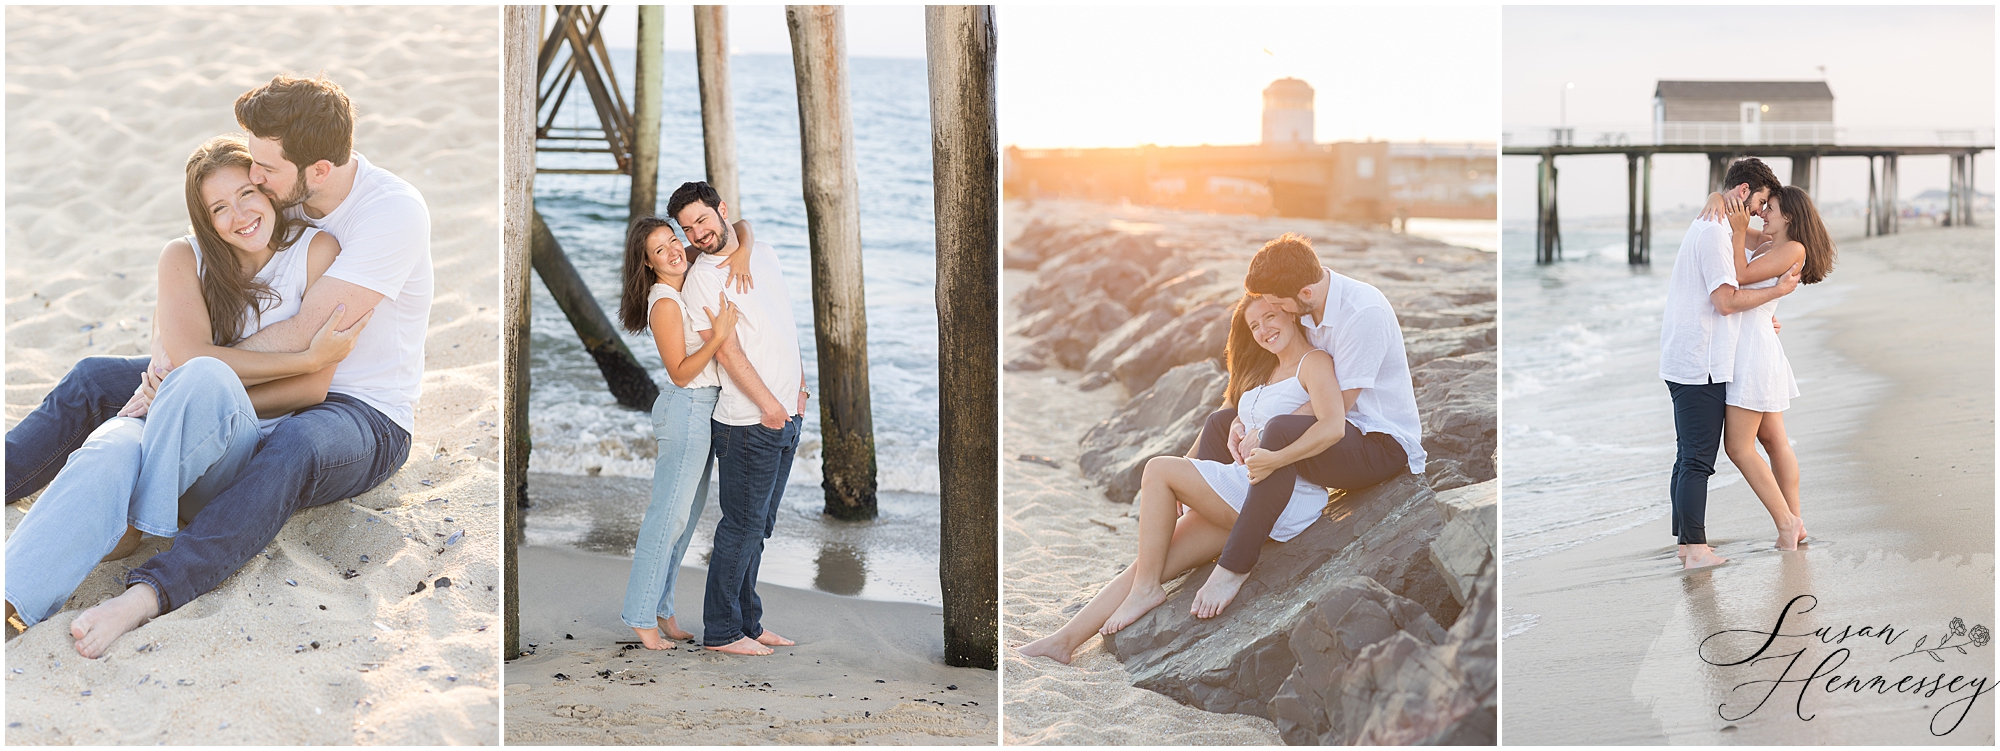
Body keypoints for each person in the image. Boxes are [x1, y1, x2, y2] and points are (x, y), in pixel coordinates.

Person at [6, 74, 432, 654]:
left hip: (359, 411)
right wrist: (176, 372)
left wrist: (183, 377)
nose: (255, 177)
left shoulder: (388, 214)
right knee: (98, 385)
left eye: (264, 172)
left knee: (290, 440)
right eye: (250, 164)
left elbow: (308, 344)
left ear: (319, 171)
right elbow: (209, 343)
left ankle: (151, 579)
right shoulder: (253, 221)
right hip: (256, 388)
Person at [1016, 295, 1340, 664]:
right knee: (1149, 561)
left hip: (1283, 494)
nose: (1264, 330)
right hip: (1242, 493)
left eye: (1270, 317)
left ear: (1291, 313)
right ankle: (1063, 641)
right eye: (1255, 325)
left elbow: (1329, 419)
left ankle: (1146, 590)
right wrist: (1236, 425)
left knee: (1158, 469)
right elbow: (1230, 418)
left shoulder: (1313, 362)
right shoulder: (1266, 371)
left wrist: (1259, 431)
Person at [1184, 233, 1424, 618]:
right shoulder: (1306, 304)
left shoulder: (1363, 314)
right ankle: (1205, 520)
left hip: (1378, 443)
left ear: (1306, 292)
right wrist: (1242, 421)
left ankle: (1234, 566)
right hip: (1336, 430)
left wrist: (1262, 429)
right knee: (1223, 422)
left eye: (1279, 305)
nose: (1280, 313)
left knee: (1277, 430)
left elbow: (1338, 409)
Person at [666, 181, 806, 656]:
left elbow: (785, 321)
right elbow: (727, 351)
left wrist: (800, 390)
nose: (698, 233)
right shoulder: (701, 279)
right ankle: (723, 631)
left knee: (759, 527)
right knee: (740, 527)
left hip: (787, 412)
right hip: (749, 421)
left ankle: (748, 620)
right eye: (688, 228)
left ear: (721, 211)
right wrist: (768, 406)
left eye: (703, 220)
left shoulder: (760, 251)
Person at [614, 214, 755, 650]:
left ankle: (663, 608)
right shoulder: (665, 304)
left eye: (673, 239)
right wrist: (719, 337)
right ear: (648, 264)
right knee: (667, 519)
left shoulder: (682, 269)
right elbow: (678, 373)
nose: (674, 250)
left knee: (686, 519)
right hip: (686, 409)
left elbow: (742, 227)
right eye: (660, 250)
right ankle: (640, 616)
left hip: (703, 409)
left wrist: (745, 253)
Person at [1660, 157, 1800, 570]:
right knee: (1697, 459)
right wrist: (1774, 294)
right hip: (1699, 358)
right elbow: (1725, 301)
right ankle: (1695, 550)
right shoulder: (1717, 233)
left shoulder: (1719, 225)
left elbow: (1752, 260)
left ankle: (1688, 546)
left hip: (1699, 355)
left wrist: (1765, 307)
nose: (1759, 213)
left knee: (1690, 456)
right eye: (1758, 204)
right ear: (1743, 193)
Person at [1701, 185, 1837, 551]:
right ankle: (1796, 522)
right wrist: (1717, 196)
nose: (1762, 212)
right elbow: (1732, 225)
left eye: (1770, 208)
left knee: (1739, 447)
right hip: (1755, 345)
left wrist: (1741, 232)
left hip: (1754, 354)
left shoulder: (1793, 248)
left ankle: (1787, 523)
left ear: (1789, 215)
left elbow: (1740, 276)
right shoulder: (1770, 244)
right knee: (1773, 440)